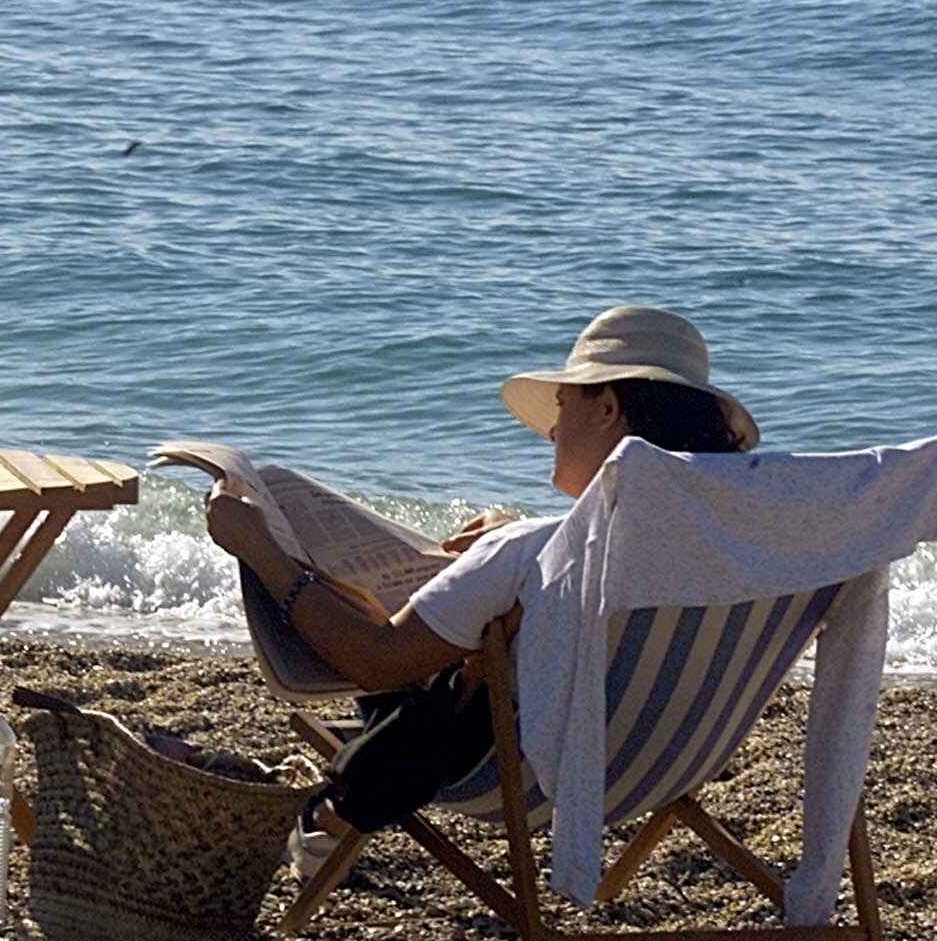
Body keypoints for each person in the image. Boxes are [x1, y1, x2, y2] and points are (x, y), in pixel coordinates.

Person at [205, 304, 756, 852]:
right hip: (671, 764)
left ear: (608, 407)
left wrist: (257, 546)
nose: (551, 431)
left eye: (562, 406)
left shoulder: (530, 553)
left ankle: (336, 814)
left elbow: (372, 660)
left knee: (419, 682)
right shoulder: (756, 550)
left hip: (533, 777)